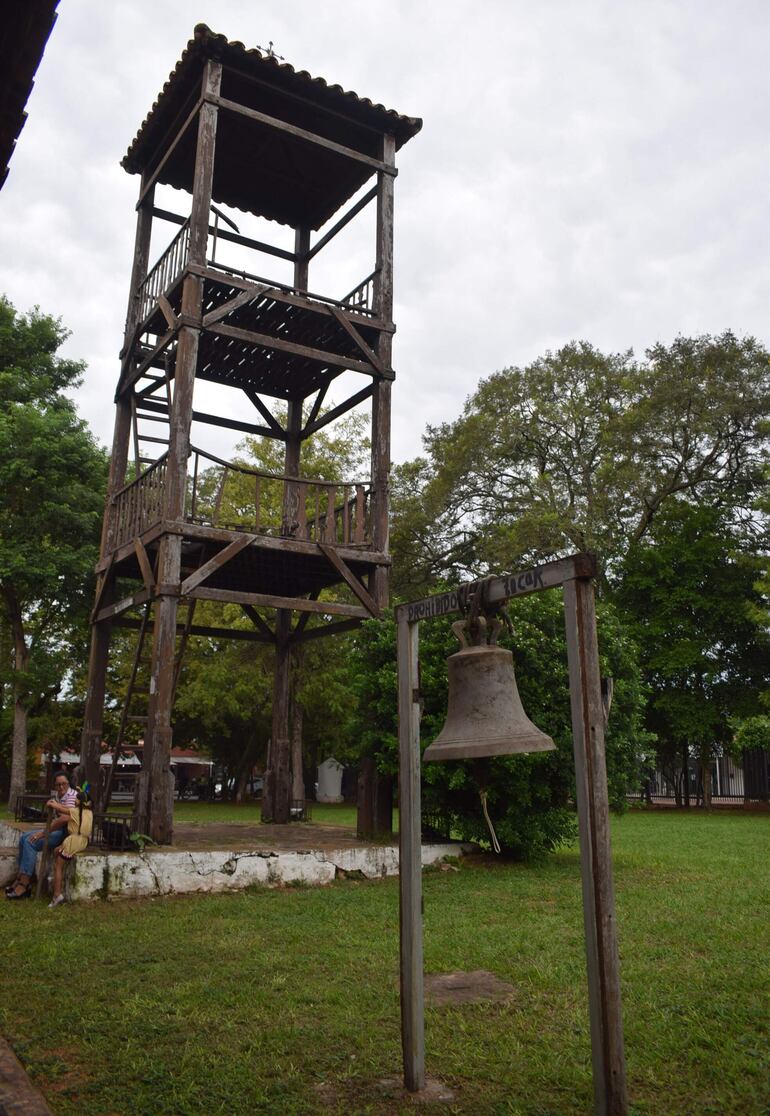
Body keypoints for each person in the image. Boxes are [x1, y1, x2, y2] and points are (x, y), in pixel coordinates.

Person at [5, 772, 79, 900]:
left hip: (65, 833)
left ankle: (24, 884)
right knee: (23, 838)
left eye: (64, 784)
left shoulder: (72, 795)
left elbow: (65, 818)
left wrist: (44, 833)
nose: (61, 787)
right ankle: (21, 877)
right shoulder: (59, 795)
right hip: (56, 829)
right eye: (58, 784)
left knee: (30, 842)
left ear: (68, 783)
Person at [48, 783, 94, 909]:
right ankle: (55, 880)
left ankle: (57, 895)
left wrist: (52, 804)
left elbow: (61, 808)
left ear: (80, 801)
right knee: (57, 851)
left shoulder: (74, 811)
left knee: (58, 864)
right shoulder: (89, 812)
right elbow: (64, 808)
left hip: (74, 841)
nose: (75, 801)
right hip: (82, 841)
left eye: (76, 799)